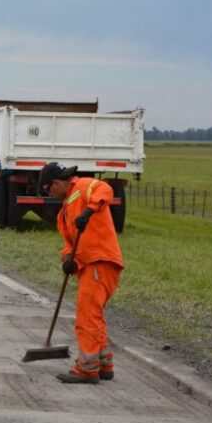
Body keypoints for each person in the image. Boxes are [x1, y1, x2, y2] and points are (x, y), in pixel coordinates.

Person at [39, 162, 124, 384]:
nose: (51, 194)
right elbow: (69, 244)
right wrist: (68, 259)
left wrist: (89, 210)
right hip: (88, 265)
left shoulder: (83, 185)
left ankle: (87, 369)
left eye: (49, 189)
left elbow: (106, 189)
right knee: (93, 315)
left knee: (86, 317)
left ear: (56, 183)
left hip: (100, 261)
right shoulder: (63, 213)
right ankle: (104, 365)